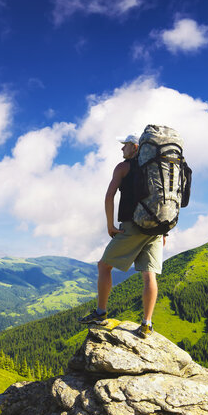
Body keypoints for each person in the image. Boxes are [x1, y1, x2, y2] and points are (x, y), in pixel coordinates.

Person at [79, 133, 165, 338]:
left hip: (132, 225)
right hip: (156, 228)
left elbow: (109, 195)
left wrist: (110, 224)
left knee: (104, 265)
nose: (122, 149)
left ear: (135, 147)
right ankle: (147, 324)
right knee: (148, 274)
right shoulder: (157, 168)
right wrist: (164, 229)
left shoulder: (123, 167)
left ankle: (100, 313)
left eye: (124, 145)